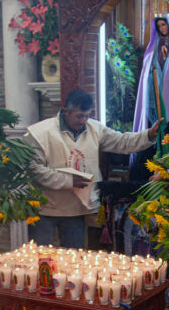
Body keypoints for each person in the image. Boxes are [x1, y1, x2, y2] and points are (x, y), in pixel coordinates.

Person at [24, 89, 161, 248]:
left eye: (87, 116)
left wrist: (148, 135)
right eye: (79, 116)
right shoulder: (40, 133)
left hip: (75, 208)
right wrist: (68, 180)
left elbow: (122, 142)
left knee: (74, 256)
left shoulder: (94, 129)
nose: (83, 121)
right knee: (40, 255)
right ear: (66, 111)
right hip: (44, 208)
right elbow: (34, 170)